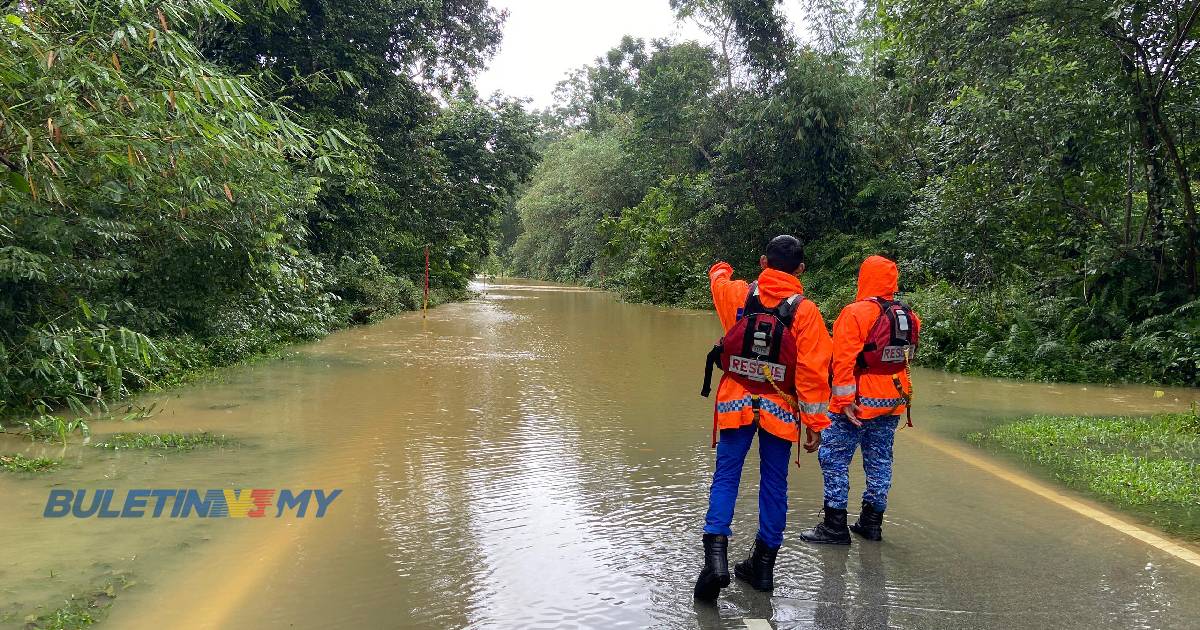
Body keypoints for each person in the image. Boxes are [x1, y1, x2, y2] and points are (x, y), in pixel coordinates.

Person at [694, 235, 833, 601]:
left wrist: (721, 267)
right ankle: (764, 567)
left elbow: (718, 279)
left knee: (726, 477)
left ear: (762, 262)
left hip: (735, 403)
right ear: (800, 269)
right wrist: (816, 425)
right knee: (774, 484)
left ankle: (716, 560)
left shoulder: (738, 294)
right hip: (780, 410)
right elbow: (813, 374)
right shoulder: (806, 313)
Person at [800, 255, 920, 545]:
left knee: (835, 459)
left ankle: (834, 526)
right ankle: (872, 522)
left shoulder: (855, 313)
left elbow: (842, 361)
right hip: (893, 400)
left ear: (864, 278)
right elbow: (907, 357)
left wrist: (843, 400)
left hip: (855, 402)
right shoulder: (908, 315)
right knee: (880, 459)